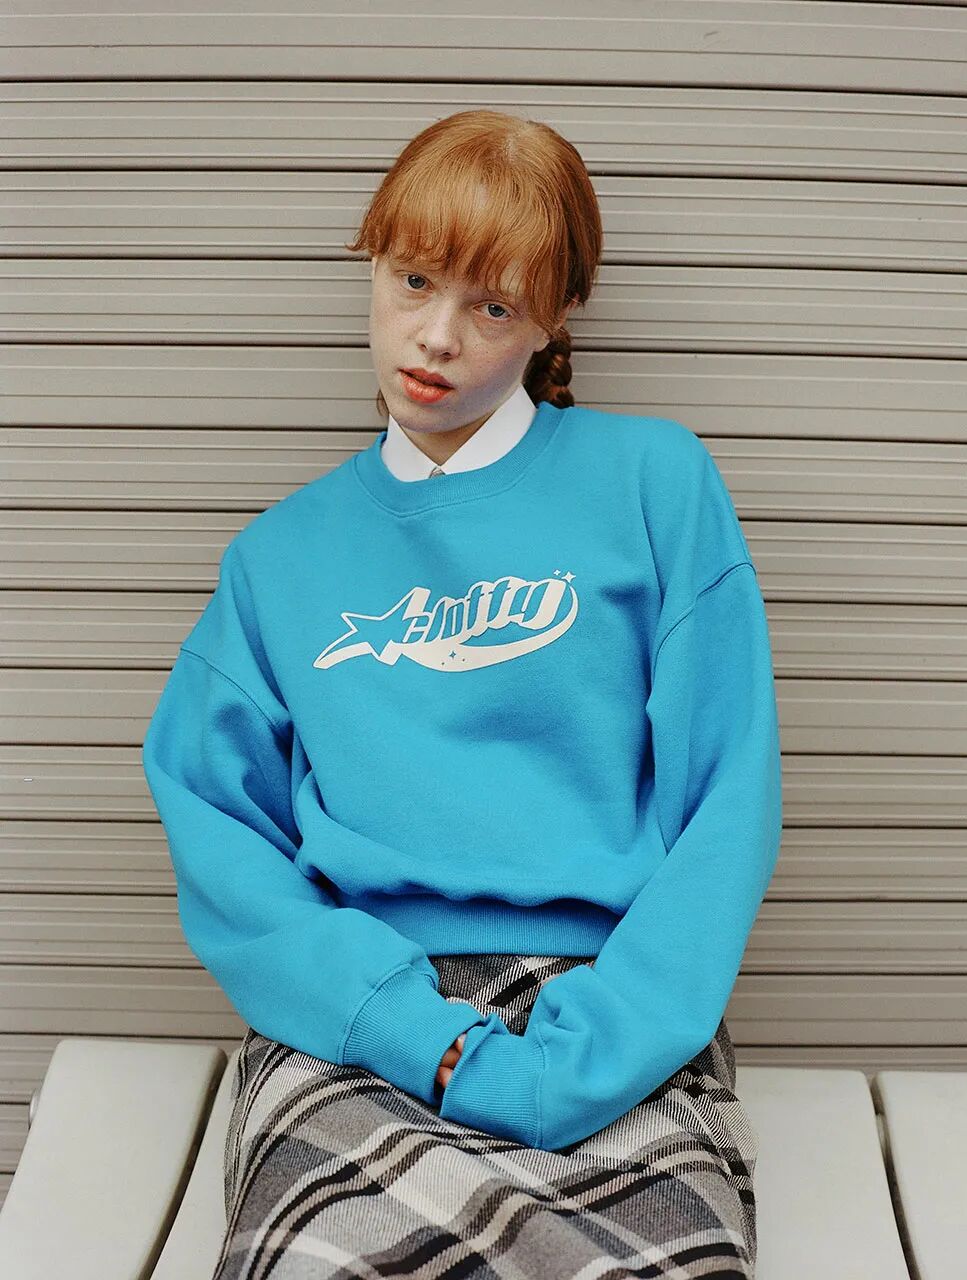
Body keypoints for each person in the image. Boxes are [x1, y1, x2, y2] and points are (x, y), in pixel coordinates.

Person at [142, 108, 782, 1279]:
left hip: (611, 1013)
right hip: (354, 1020)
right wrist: (418, 1034)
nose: (434, 335)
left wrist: (587, 1048)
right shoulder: (279, 558)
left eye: (492, 305)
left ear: (554, 317)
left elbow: (727, 795)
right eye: (412, 279)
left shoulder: (656, 484)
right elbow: (219, 830)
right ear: (374, 264)